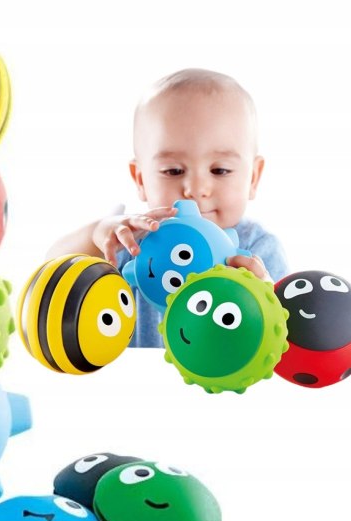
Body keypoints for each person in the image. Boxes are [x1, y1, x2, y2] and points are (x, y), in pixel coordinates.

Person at [47, 68, 288, 347]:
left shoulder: (258, 249)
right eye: (173, 170)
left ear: (253, 178)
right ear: (140, 179)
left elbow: (284, 339)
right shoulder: (130, 241)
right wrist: (95, 235)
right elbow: (51, 273)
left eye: (220, 170)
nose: (196, 189)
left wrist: (263, 294)